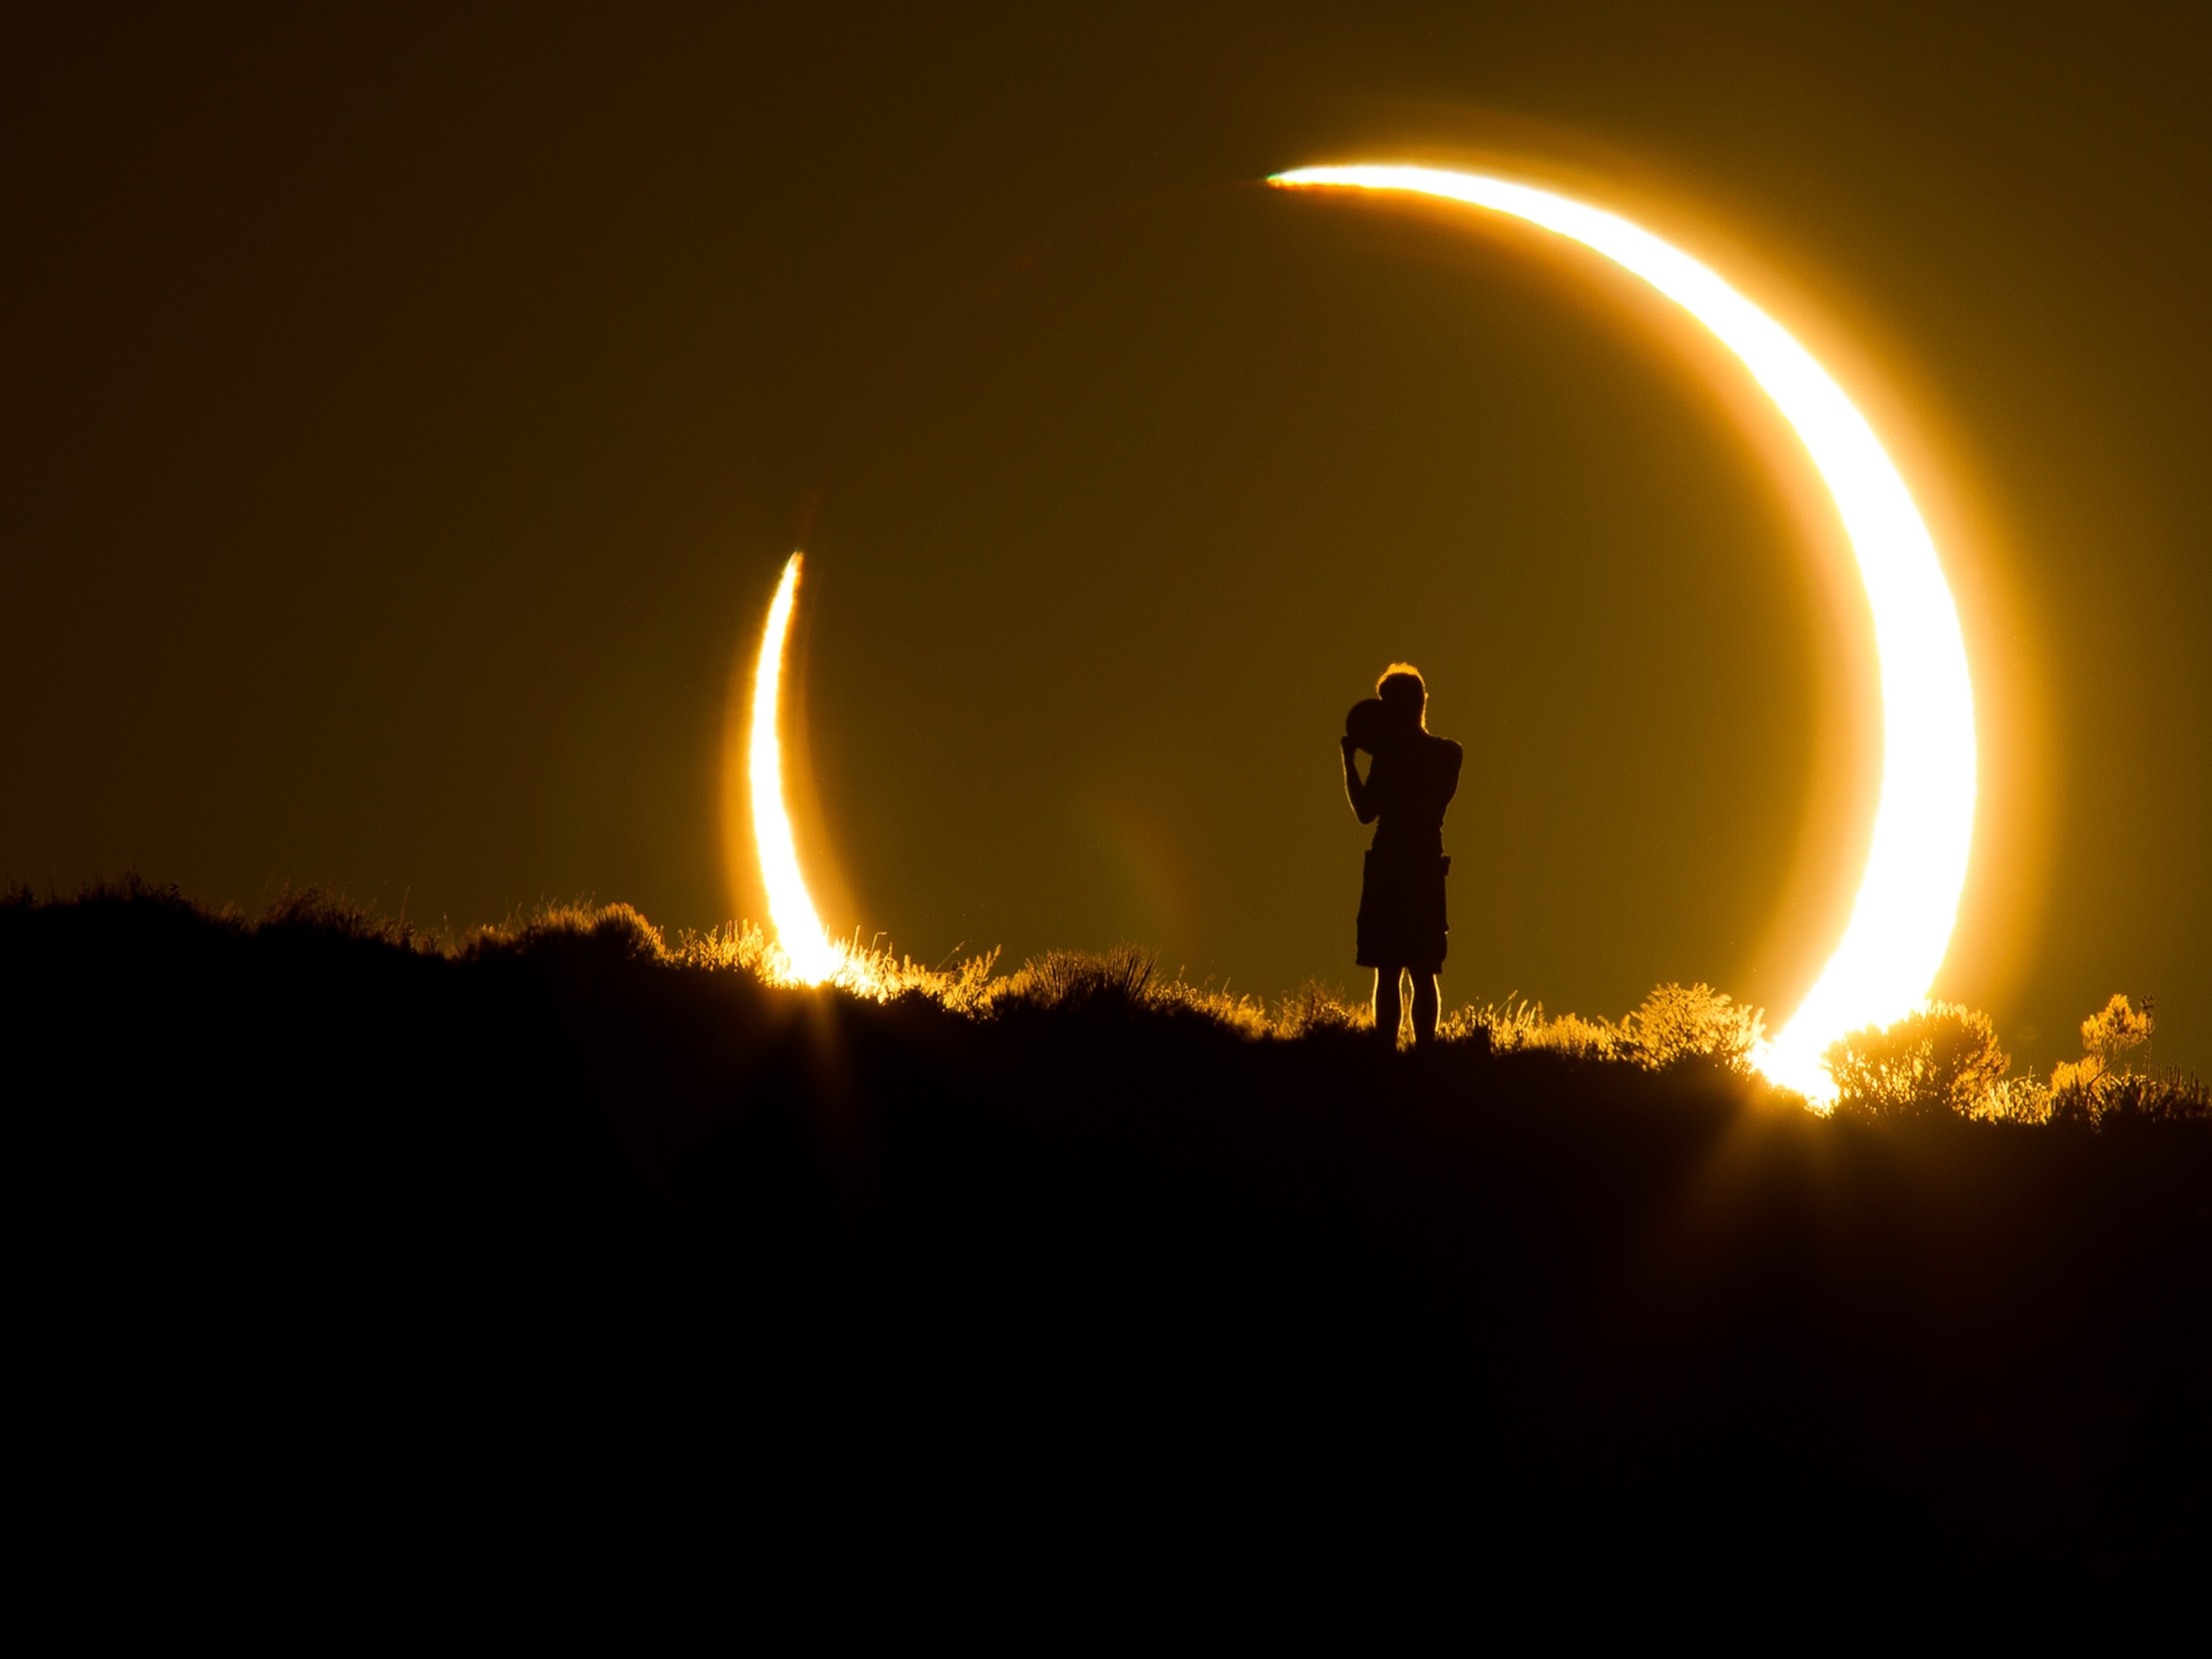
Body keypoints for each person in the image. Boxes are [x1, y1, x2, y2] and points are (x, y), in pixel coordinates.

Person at [1341, 664, 1463, 1048]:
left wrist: (1349, 760)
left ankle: (1386, 1054)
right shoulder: (1448, 754)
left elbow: (1364, 813)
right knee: (1423, 969)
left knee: (1390, 970)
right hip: (1424, 867)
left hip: (1392, 866)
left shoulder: (1392, 758)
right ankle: (1423, 1054)